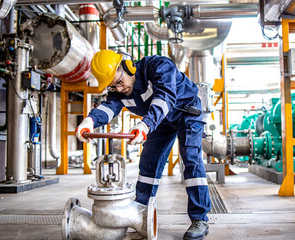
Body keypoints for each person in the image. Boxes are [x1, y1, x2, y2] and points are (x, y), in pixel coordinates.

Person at [75, 50, 211, 240]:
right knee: (148, 162)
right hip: (160, 122)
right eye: (113, 86)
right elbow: (109, 107)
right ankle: (141, 215)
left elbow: (164, 99)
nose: (119, 89)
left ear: (128, 67)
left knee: (190, 157)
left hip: (187, 114)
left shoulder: (159, 67)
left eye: (119, 82)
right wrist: (89, 121)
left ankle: (199, 219)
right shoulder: (119, 89)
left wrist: (145, 125)